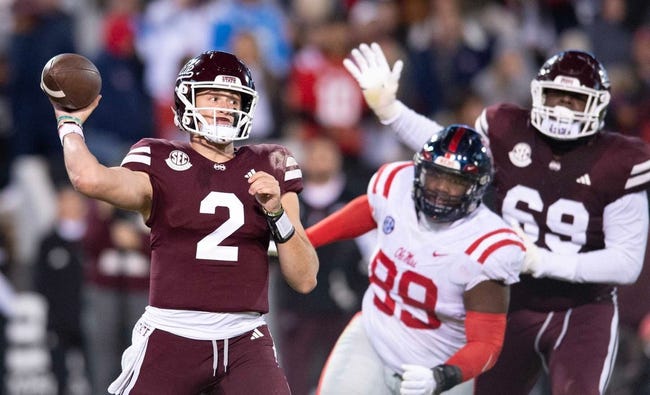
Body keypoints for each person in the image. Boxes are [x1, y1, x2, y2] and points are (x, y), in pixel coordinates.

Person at [344, 42, 650, 394]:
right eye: (555, 95)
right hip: (510, 301)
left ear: (597, 105)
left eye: (575, 100)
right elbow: (448, 151)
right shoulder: (508, 129)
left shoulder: (619, 160)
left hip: (581, 309)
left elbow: (626, 263)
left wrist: (543, 261)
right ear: (538, 94)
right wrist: (390, 111)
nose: (563, 108)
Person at [48, 50, 319, 394]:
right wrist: (69, 123)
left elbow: (305, 277)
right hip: (172, 333)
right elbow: (90, 180)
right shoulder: (159, 158)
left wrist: (277, 213)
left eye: (234, 99)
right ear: (186, 101)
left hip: (244, 339)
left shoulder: (272, 163)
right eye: (214, 96)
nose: (225, 107)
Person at [306, 124, 525, 395]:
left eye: (455, 182)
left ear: (476, 188)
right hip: (374, 339)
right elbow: (371, 209)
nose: (441, 189)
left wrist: (442, 377)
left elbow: (487, 343)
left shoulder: (486, 246)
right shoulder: (396, 185)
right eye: (435, 176)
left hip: (441, 365)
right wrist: (306, 239)